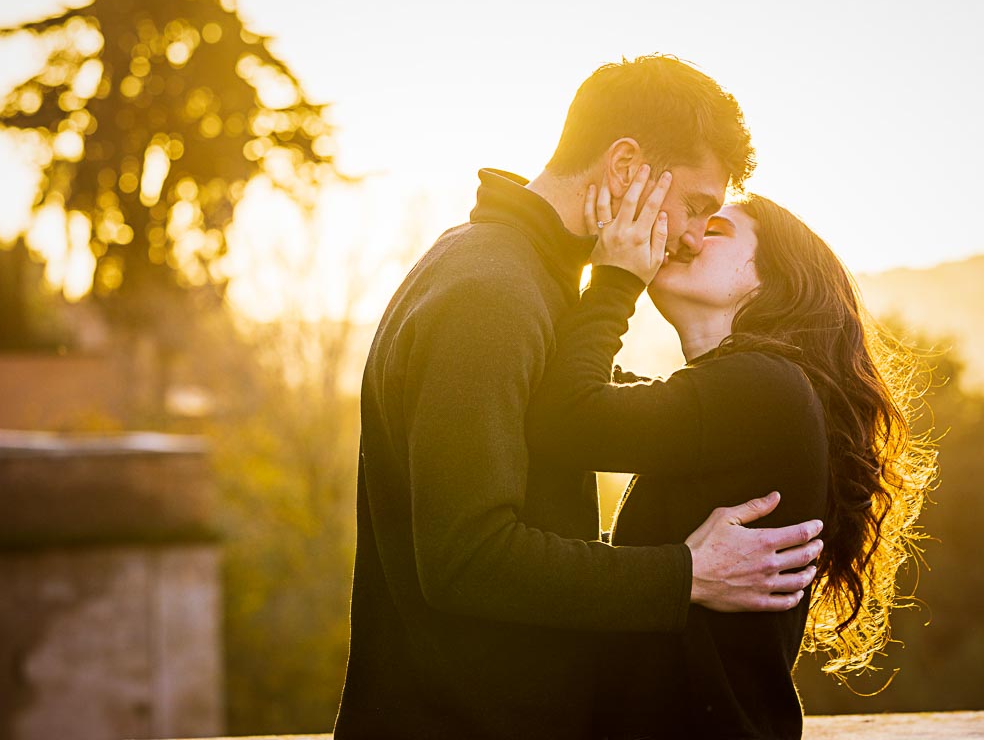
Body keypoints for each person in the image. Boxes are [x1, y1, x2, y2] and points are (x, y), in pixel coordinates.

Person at [334, 56, 826, 740]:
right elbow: (467, 558)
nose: (689, 236)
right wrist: (682, 574)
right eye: (696, 208)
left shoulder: (518, 277)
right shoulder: (490, 293)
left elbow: (595, 406)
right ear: (624, 167)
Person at [527, 174, 937, 738]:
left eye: (714, 227)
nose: (687, 237)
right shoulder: (741, 394)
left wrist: (613, 282)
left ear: (773, 281)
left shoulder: (761, 387)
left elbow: (568, 415)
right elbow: (579, 391)